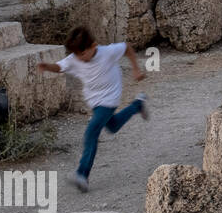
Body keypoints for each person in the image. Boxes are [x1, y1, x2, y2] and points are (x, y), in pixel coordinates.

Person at [37, 27, 148, 192]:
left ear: (94, 46)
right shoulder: (75, 58)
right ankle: (137, 105)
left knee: (91, 133)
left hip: (110, 98)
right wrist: (47, 66)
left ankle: (82, 174)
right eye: (76, 55)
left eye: (82, 54)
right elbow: (60, 67)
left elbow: (127, 47)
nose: (79, 59)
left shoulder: (107, 52)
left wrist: (136, 68)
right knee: (113, 126)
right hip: (94, 101)